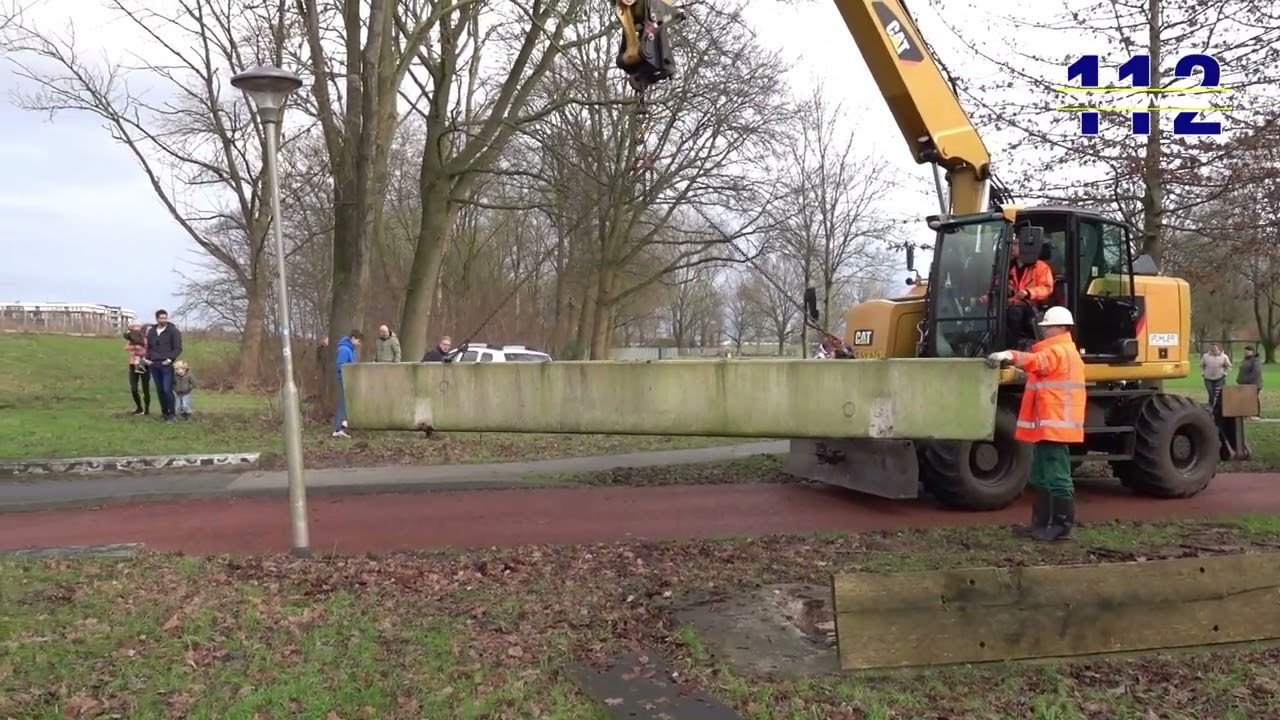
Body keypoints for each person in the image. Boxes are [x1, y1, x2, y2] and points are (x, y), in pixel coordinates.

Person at [986, 306, 1086, 542]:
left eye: (1048, 327)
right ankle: (1042, 525)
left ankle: (1059, 529)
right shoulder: (1062, 351)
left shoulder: (1058, 351)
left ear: (1061, 328)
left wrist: (1009, 355)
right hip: (1050, 427)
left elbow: (1037, 362)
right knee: (1042, 476)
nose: (1044, 331)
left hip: (1055, 428)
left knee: (1057, 478)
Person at [1005, 229, 1054, 349]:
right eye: (1011, 244)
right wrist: (981, 300)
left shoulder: (1041, 267)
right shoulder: (1006, 267)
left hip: (1031, 307)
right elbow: (996, 287)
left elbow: (1047, 288)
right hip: (1008, 305)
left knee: (1014, 314)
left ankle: (1012, 350)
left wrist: (1029, 293)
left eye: (1016, 244)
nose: (1012, 247)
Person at [145, 309, 183, 423]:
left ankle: (172, 414)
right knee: (160, 390)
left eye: (165, 318)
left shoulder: (173, 331)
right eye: (161, 318)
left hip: (166, 364)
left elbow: (178, 348)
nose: (164, 320)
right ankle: (164, 413)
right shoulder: (151, 331)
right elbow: (149, 347)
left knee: (167, 389)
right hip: (154, 364)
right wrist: (147, 358)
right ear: (157, 319)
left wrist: (170, 359)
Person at [333, 330, 362, 439]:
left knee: (345, 403)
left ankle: (342, 425)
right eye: (358, 341)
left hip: (347, 379)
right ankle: (338, 428)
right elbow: (340, 365)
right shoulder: (344, 350)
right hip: (344, 379)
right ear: (353, 338)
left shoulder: (349, 349)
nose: (359, 343)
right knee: (342, 404)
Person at [123, 322, 151, 415]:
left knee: (145, 388)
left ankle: (147, 409)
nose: (135, 328)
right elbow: (126, 347)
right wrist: (135, 347)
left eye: (137, 326)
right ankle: (139, 408)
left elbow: (149, 348)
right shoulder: (132, 338)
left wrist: (142, 352)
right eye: (133, 326)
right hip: (133, 363)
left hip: (144, 363)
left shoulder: (146, 337)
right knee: (134, 388)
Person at [1200, 343, 1232, 410]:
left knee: (1218, 394)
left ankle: (1219, 407)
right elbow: (1201, 365)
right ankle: (1211, 405)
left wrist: (1225, 373)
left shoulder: (1224, 357)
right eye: (1212, 349)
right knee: (1210, 392)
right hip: (1208, 378)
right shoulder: (1205, 356)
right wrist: (1203, 373)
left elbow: (1229, 366)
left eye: (1215, 348)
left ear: (1218, 349)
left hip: (1219, 378)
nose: (1213, 350)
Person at [1236, 345, 1263, 419]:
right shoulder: (1244, 360)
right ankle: (1247, 414)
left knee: (1253, 399)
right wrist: (1239, 379)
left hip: (1254, 384)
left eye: (1247, 351)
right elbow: (1242, 371)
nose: (1245, 353)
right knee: (1246, 399)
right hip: (1244, 384)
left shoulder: (1255, 360)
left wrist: (1245, 380)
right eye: (1244, 351)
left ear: (1252, 352)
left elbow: (1256, 372)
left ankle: (1256, 414)